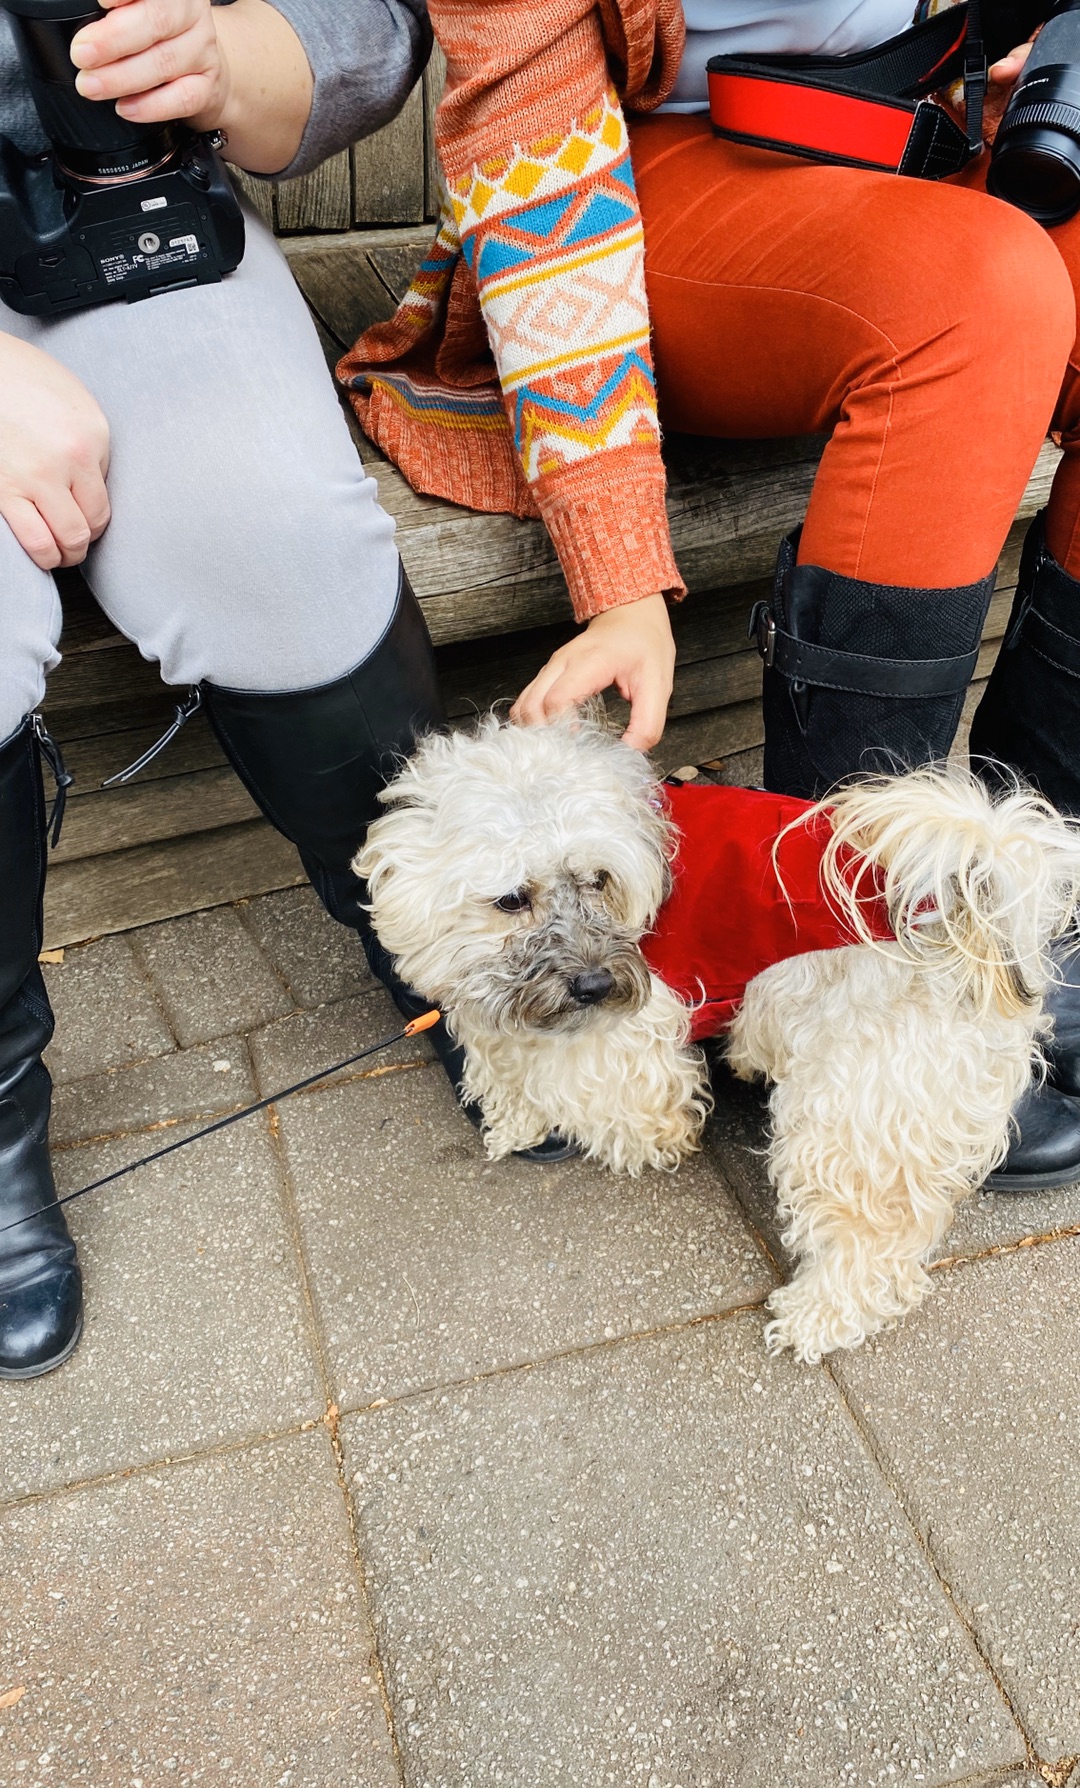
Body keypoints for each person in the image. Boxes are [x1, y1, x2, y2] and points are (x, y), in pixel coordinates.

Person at [341, 0, 1080, 1198]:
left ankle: (1025, 885)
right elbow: (534, 157)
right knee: (987, 294)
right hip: (648, 186)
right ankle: (851, 942)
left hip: (928, 132)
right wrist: (624, 578)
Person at [0, 0, 472, 1382]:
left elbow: (364, 25)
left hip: (120, 211)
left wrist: (236, 56)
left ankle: (438, 938)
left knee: (277, 540)